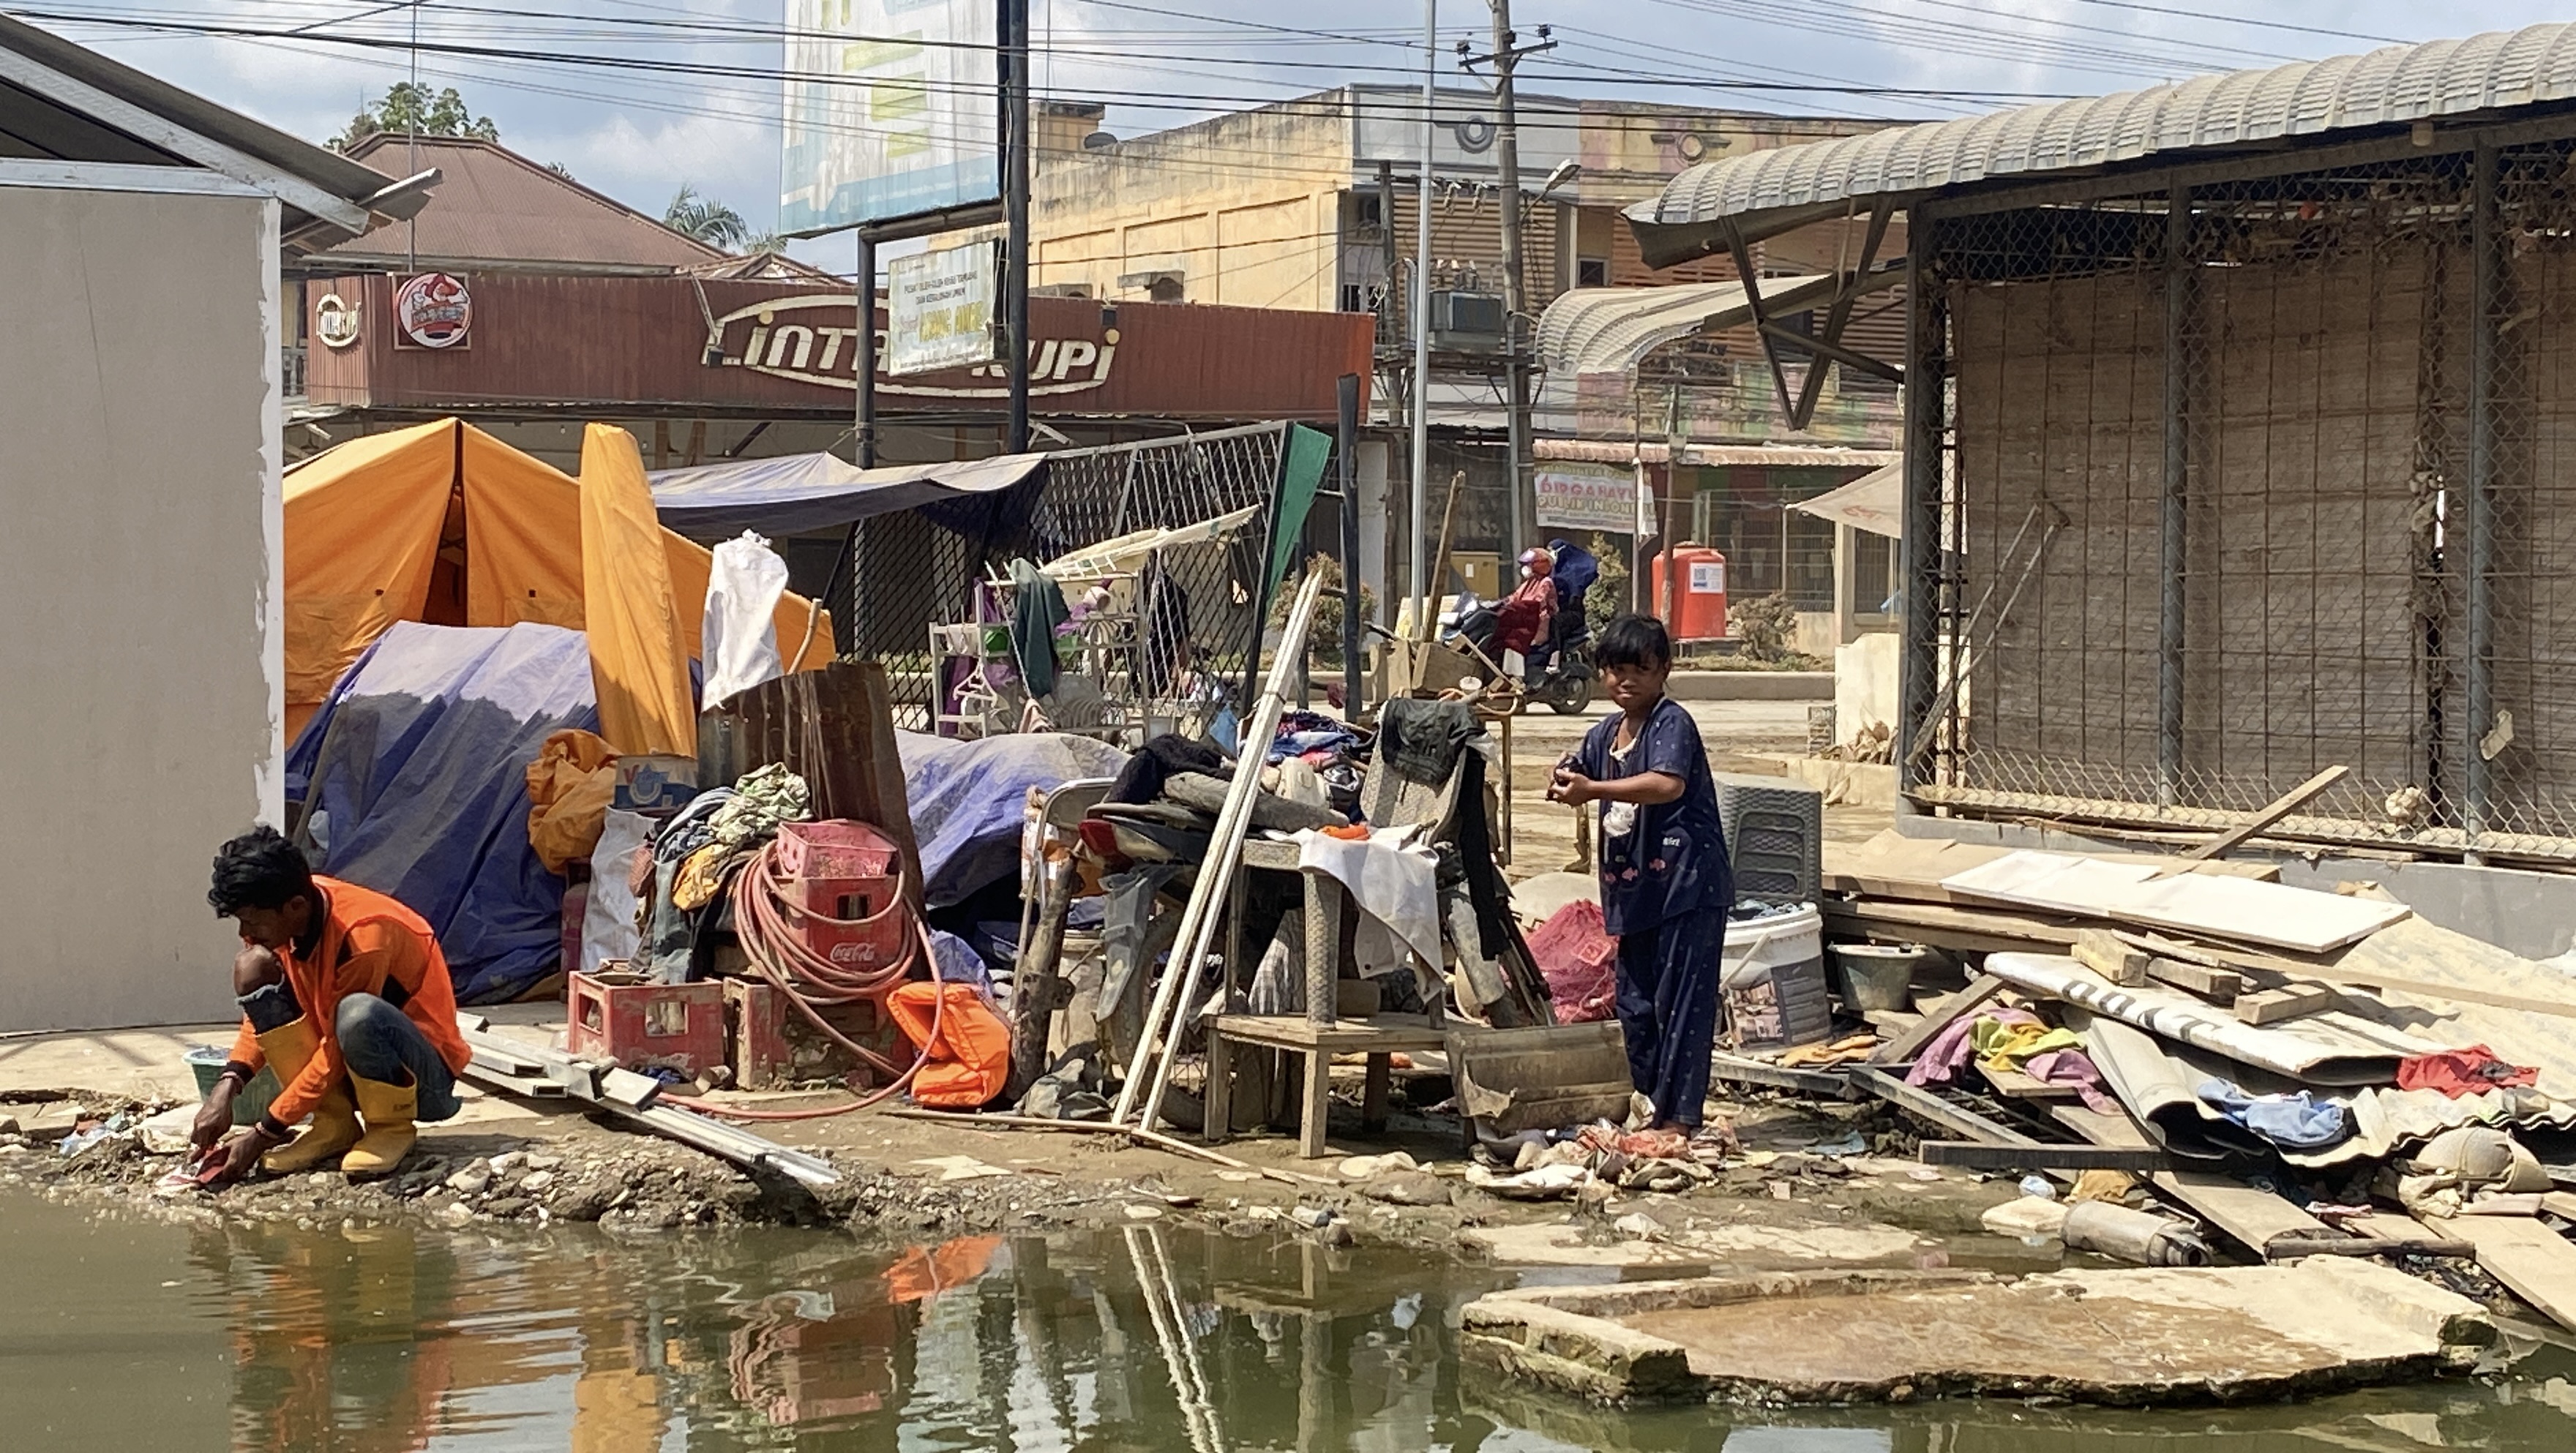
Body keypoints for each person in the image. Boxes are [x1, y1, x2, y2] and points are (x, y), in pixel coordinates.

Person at [192, 826, 472, 1185]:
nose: (245, 933)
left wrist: (265, 1132)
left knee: (358, 1014)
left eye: (253, 921)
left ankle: (389, 1127)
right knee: (251, 968)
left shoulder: (364, 935)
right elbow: (262, 1017)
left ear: (294, 908)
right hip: (347, 1068)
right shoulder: (291, 912)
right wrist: (226, 1087)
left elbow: (336, 1049)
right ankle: (334, 1124)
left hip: (422, 1082)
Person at [1547, 615, 1733, 1133]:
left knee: (1682, 1006)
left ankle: (1681, 1118)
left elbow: (1667, 784)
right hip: (1636, 893)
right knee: (1635, 1004)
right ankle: (1650, 1104)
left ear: (1663, 671)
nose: (1625, 681)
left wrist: (1593, 792)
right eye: (1615, 670)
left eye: (1639, 670)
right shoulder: (1606, 731)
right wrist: (1562, 779)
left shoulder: (1672, 724)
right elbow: (1577, 766)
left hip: (1686, 887)